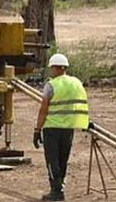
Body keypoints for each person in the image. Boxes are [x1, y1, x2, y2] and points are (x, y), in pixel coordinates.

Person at [33, 53, 90, 201]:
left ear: (55, 68)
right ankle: (60, 187)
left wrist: (37, 129)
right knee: (63, 159)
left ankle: (56, 190)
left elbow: (43, 109)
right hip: (69, 128)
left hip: (52, 128)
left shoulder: (51, 85)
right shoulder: (76, 83)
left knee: (52, 161)